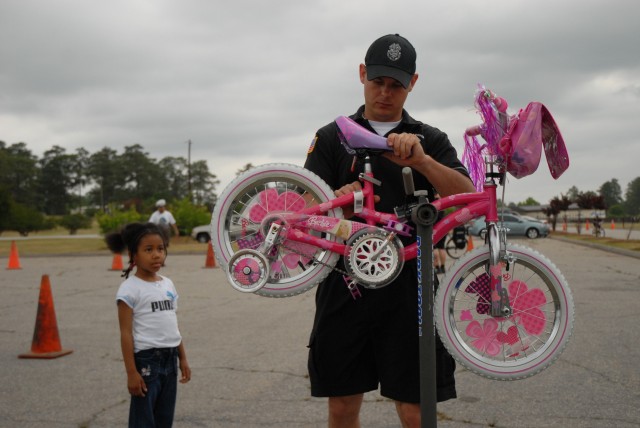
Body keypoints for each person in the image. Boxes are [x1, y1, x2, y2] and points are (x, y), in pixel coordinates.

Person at [304, 34, 476, 427]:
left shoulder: (429, 138)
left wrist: (423, 162)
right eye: (377, 81)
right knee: (343, 405)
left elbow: (468, 198)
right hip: (344, 282)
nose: (385, 92)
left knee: (416, 408)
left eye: (396, 84)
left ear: (412, 82)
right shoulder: (332, 136)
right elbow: (304, 206)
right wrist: (338, 201)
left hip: (412, 287)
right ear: (362, 74)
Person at [106, 222, 191, 427]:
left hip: (170, 360)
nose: (156, 255)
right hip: (146, 362)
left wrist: (183, 358)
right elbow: (126, 333)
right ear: (133, 254)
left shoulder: (168, 284)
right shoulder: (129, 289)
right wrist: (131, 372)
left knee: (164, 418)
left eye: (160, 249)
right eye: (148, 250)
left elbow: (173, 326)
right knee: (143, 420)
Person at [433, 194, 447, 275]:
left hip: (434, 229)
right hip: (443, 228)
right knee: (442, 247)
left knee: (434, 248)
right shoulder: (442, 204)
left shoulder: (433, 205)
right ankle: (443, 267)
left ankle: (437, 267)